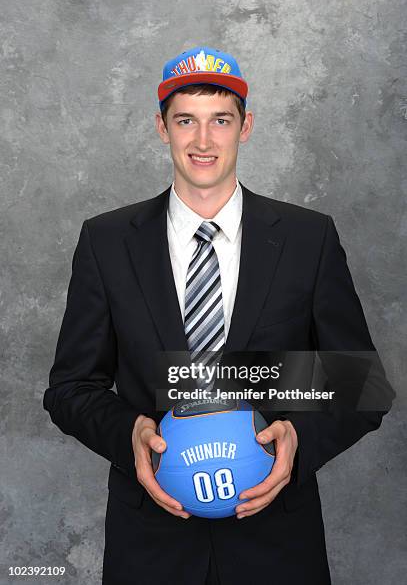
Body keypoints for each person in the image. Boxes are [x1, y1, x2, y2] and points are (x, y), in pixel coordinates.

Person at [43, 46, 394, 585]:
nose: (203, 141)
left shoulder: (307, 238)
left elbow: (361, 384)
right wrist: (131, 431)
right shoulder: (108, 241)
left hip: (276, 544)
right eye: (186, 120)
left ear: (245, 126)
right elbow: (70, 387)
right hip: (152, 546)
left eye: (220, 121)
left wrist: (295, 440)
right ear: (162, 128)